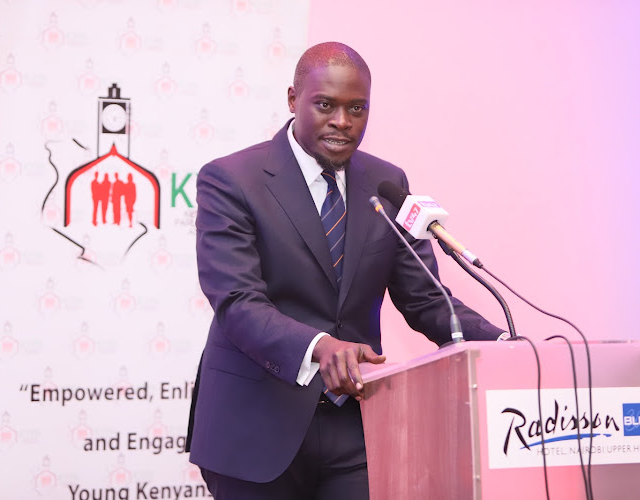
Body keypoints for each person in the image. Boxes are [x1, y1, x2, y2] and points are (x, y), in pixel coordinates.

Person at [186, 41, 504, 499]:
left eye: (357, 108)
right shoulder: (232, 179)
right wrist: (320, 347)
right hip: (255, 423)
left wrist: (501, 345)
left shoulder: (385, 182)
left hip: (354, 424)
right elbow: (237, 301)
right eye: (325, 105)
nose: (343, 121)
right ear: (293, 99)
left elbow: (425, 298)